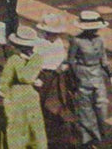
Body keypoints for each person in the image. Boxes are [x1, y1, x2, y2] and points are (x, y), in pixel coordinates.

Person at [68, 11, 112, 148]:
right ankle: (88, 142)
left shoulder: (100, 40)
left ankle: (99, 135)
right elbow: (71, 60)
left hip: (97, 75)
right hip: (82, 75)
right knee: (86, 111)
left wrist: (111, 76)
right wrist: (75, 78)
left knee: (102, 106)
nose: (94, 30)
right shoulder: (76, 40)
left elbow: (104, 59)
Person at [33, 14, 79, 148]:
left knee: (54, 100)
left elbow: (60, 58)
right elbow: (33, 61)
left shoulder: (58, 43)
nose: (53, 35)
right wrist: (35, 77)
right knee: (38, 100)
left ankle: (49, 125)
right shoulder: (38, 42)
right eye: (51, 33)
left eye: (56, 33)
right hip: (41, 75)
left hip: (55, 76)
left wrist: (63, 66)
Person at [0, 26, 47, 149]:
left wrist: (4, 93)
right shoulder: (34, 59)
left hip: (19, 96)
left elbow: (5, 81)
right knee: (29, 127)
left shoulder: (16, 60)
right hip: (26, 97)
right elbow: (28, 78)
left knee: (21, 127)